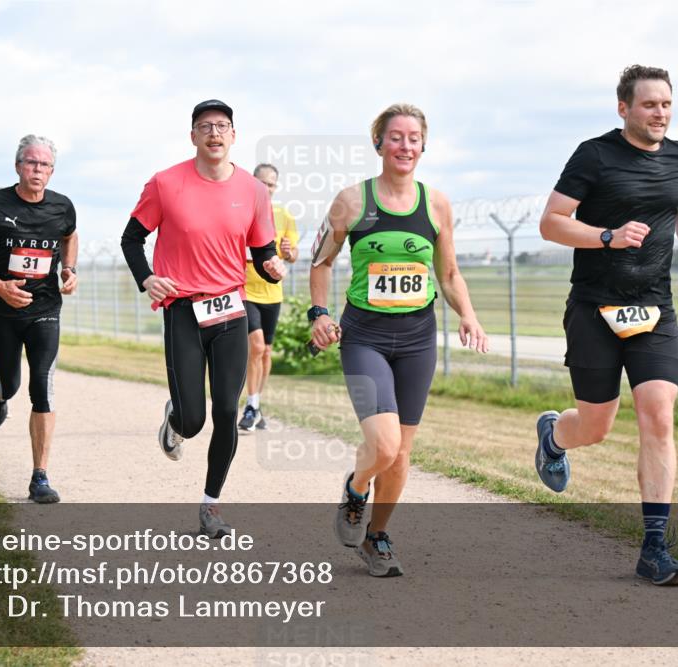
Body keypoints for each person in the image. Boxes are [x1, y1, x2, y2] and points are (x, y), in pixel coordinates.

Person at [535, 65, 678, 586]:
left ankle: (654, 546)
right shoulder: (594, 154)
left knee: (658, 416)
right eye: (649, 105)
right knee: (595, 427)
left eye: (666, 104)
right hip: (594, 307)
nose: (660, 113)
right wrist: (607, 236)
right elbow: (551, 223)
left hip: (654, 306)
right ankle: (554, 434)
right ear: (624, 108)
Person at [310, 103, 488, 577]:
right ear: (378, 144)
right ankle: (355, 489)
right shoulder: (351, 201)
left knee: (402, 452)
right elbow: (321, 263)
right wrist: (319, 314)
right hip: (364, 336)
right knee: (384, 446)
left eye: (414, 138)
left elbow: (448, 274)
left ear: (423, 146)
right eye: (395, 137)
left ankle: (377, 537)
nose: (405, 146)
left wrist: (467, 315)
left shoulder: (436, 205)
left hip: (417, 339)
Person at [121, 99, 286, 538]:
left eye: (223, 126)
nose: (215, 133)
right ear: (192, 135)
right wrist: (147, 279)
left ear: (234, 136)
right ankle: (176, 418)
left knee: (227, 411)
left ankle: (211, 506)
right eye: (205, 126)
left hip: (231, 307)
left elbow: (261, 248)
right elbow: (132, 238)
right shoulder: (165, 183)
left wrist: (272, 263)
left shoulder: (253, 190)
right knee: (194, 421)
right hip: (182, 309)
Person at [0, 134, 78, 504]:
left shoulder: (62, 206)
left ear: (52, 171)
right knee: (10, 385)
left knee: (42, 385)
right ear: (17, 166)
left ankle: (39, 477)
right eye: (30, 162)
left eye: (43, 165)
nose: (36, 170)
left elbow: (70, 235)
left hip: (45, 310)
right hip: (2, 311)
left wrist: (69, 270)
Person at [237, 163, 299, 432]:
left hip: (272, 293)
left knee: (267, 352)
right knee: (257, 346)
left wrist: (289, 251)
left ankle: (256, 404)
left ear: (276, 187)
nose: (266, 188)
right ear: (252, 183)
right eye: (261, 182)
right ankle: (250, 406)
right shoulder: (240, 211)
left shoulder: (284, 216)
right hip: (245, 289)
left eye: (271, 184)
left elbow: (292, 255)